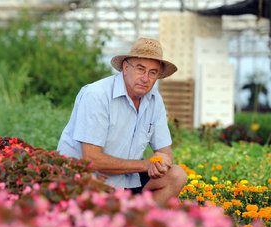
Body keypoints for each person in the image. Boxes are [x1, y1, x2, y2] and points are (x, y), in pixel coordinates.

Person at [57, 37, 187, 205]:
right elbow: (91, 159)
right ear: (125, 67)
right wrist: (145, 165)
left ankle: (136, 221)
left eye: (152, 72)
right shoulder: (97, 95)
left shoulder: (154, 100)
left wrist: (160, 163)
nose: (145, 78)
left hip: (125, 179)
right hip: (86, 179)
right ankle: (117, 218)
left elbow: (165, 152)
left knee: (176, 175)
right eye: (141, 69)